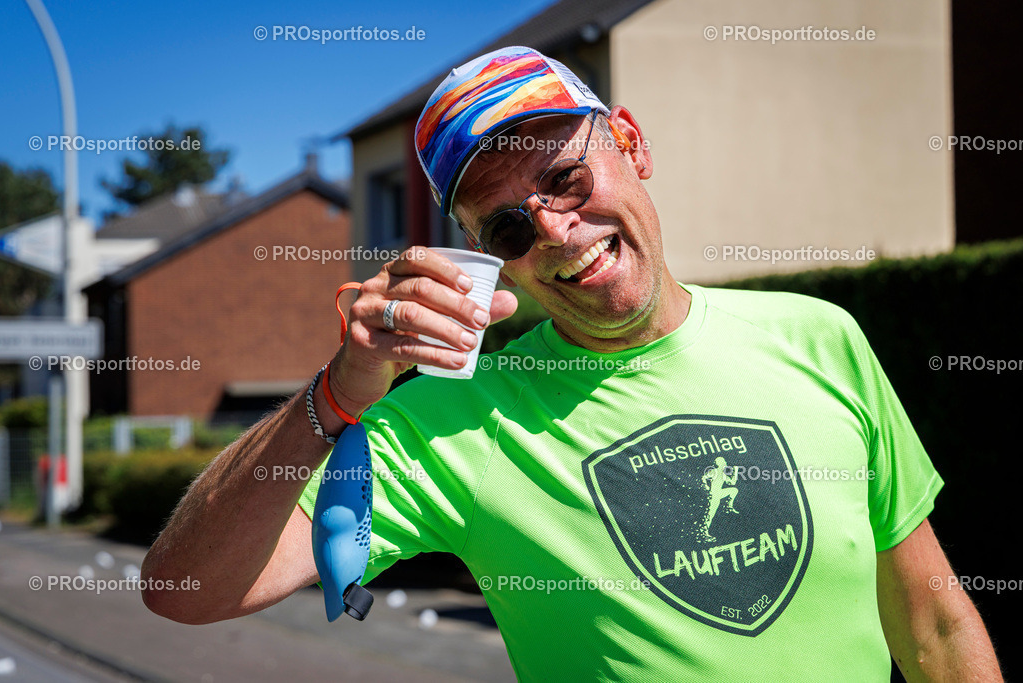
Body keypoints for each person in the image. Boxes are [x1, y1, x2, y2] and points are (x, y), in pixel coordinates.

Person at [141, 46, 1001, 680]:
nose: (554, 229)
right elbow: (185, 588)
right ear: (489, 258)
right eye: (507, 226)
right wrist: (338, 391)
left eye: (565, 176)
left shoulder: (821, 339)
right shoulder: (448, 421)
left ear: (629, 142)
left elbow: (931, 626)